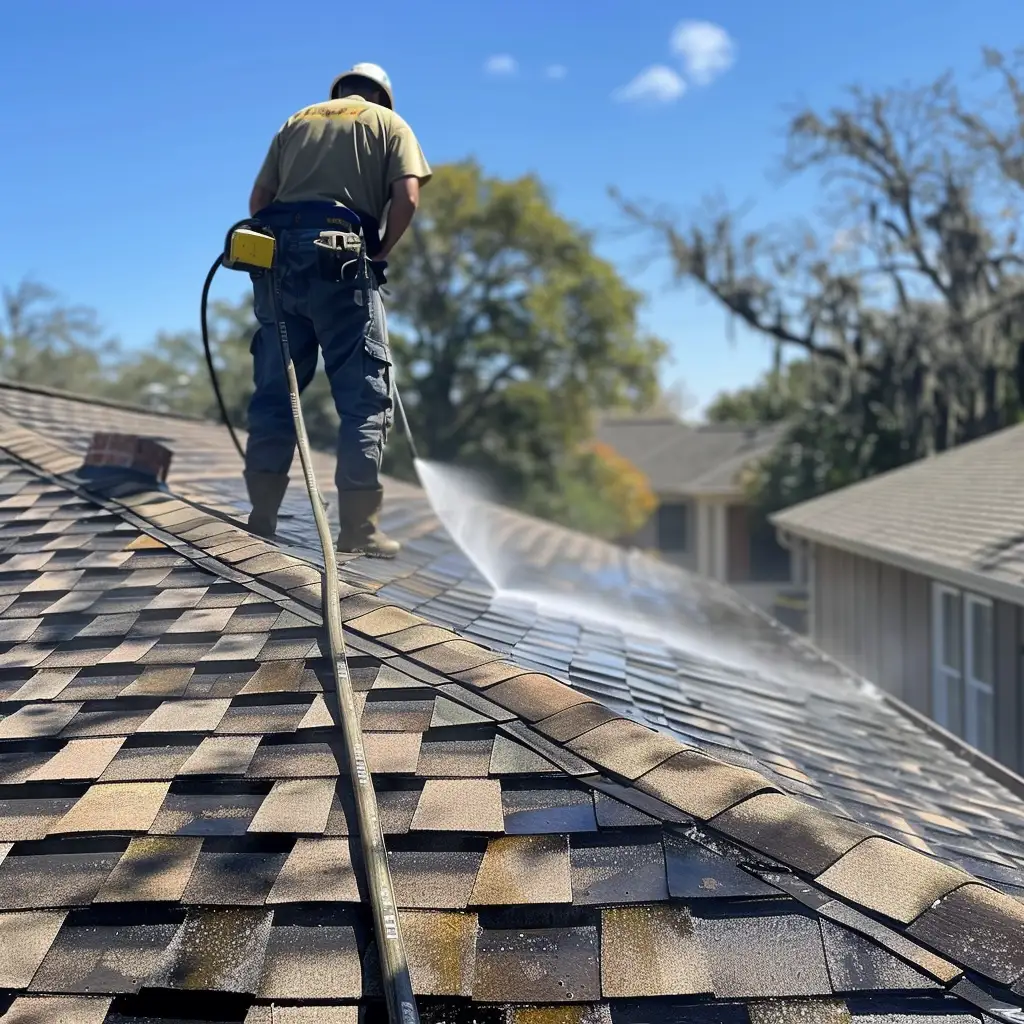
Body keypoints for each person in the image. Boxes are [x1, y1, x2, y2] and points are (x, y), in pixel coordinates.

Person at [243, 62, 431, 558]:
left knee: (276, 387)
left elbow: (259, 199)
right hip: (343, 262)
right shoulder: (388, 123)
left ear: (339, 91)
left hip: (278, 260)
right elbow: (407, 197)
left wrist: (286, 244)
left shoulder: (297, 119)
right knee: (365, 398)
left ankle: (261, 516)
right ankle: (359, 530)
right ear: (381, 96)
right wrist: (382, 252)